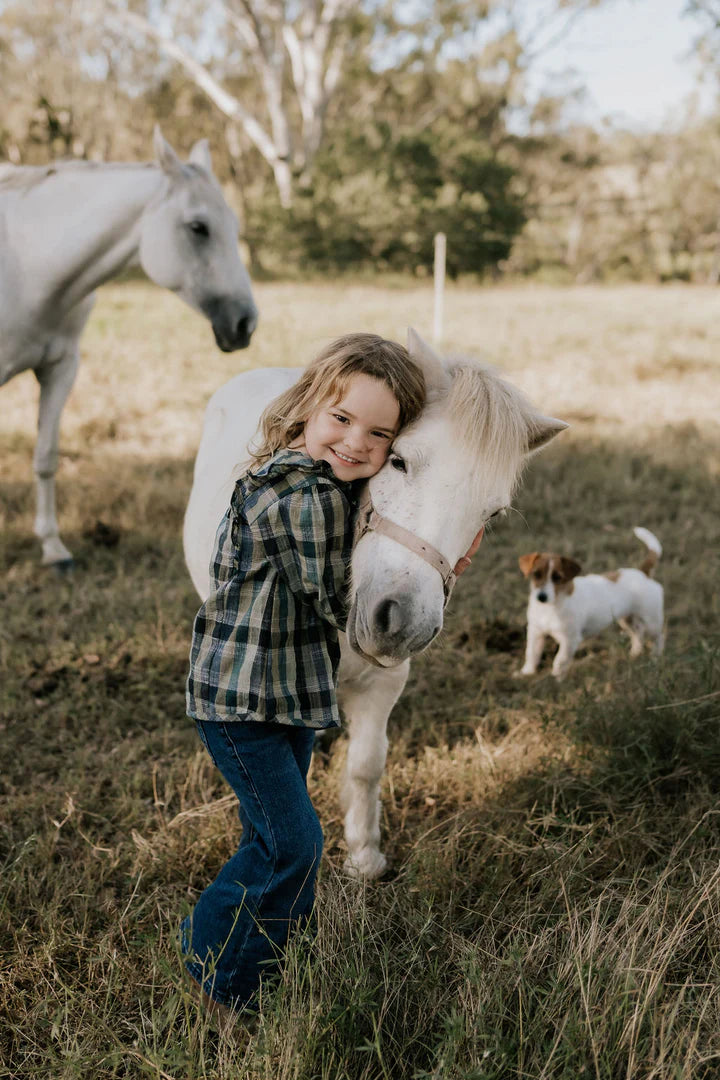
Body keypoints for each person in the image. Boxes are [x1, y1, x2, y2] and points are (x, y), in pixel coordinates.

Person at [180, 332, 427, 1020]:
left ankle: (256, 944)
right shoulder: (306, 497)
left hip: (281, 697)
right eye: (341, 420)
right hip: (244, 705)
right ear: (308, 407)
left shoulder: (304, 474)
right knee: (295, 844)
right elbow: (332, 596)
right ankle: (220, 976)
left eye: (380, 435)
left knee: (271, 837)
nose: (356, 443)